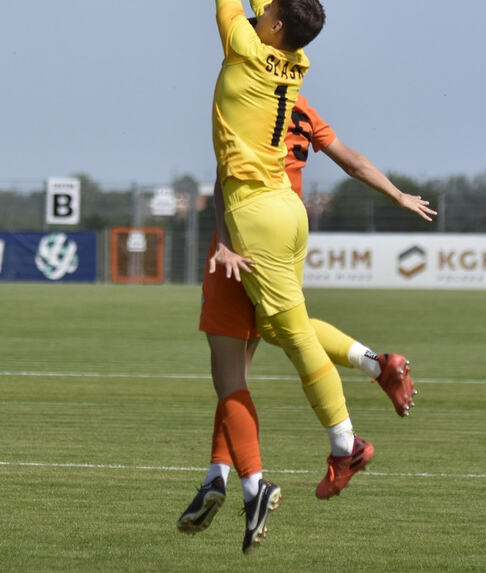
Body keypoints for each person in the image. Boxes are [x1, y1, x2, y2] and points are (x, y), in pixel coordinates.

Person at [189, 0, 420, 552]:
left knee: (287, 338)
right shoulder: (294, 61)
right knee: (285, 328)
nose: (257, 15)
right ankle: (238, 467)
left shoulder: (245, 50)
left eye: (268, 15)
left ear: (274, 27)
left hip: (256, 214)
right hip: (289, 214)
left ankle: (345, 444)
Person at [177, 92, 435, 544]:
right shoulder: (297, 104)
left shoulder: (247, 97)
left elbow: (227, 177)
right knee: (272, 337)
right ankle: (216, 476)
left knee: (237, 368)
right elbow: (351, 160)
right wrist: (395, 194)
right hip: (288, 226)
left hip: (246, 235)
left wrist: (222, 237)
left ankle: (318, 456)